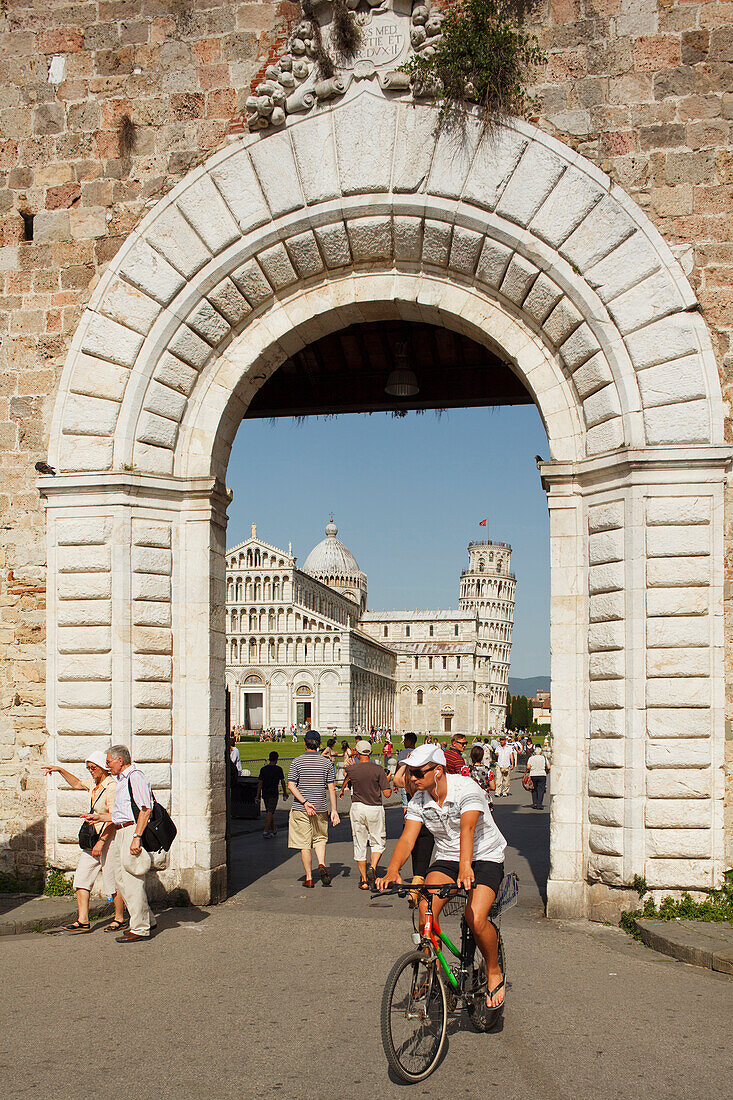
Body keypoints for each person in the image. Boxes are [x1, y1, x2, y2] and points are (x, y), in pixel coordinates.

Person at [377, 744, 508, 1009]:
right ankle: (431, 967)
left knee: (476, 916)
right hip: (448, 857)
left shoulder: (466, 788)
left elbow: (468, 828)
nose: (412, 779)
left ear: (438, 771)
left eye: (418, 773)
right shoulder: (420, 800)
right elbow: (407, 838)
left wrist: (466, 867)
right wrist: (393, 870)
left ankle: (494, 969)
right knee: (425, 908)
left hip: (484, 856)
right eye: (410, 772)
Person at [44, 751, 126, 934]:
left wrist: (102, 842)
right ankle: (83, 920)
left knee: (112, 881)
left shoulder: (112, 787)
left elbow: (114, 817)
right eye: (88, 768)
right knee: (81, 878)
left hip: (109, 839)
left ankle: (119, 918)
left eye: (93, 768)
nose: (90, 771)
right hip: (94, 838)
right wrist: (60, 769)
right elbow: (77, 783)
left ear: (103, 768)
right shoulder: (95, 784)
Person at [85, 744, 155, 942]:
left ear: (119, 760)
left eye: (108, 762)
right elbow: (120, 813)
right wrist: (99, 818)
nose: (107, 766)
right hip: (122, 829)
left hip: (131, 831)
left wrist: (136, 837)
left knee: (132, 880)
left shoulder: (135, 777)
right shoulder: (123, 780)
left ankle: (140, 928)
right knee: (121, 880)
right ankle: (146, 919)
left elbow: (145, 809)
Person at [287, 731, 340, 887]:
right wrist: (334, 810)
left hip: (301, 808)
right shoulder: (326, 763)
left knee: (304, 844)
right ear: (319, 745)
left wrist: (304, 802)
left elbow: (291, 785)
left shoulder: (297, 762)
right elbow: (331, 789)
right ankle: (322, 864)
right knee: (320, 838)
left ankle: (309, 877)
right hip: (320, 807)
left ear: (305, 743)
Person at [338, 739, 392, 889]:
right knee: (377, 841)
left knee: (359, 842)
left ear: (357, 751)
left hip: (357, 807)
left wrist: (342, 790)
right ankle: (373, 867)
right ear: (371, 752)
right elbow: (387, 794)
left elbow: (347, 776)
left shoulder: (352, 769)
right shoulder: (378, 769)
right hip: (374, 807)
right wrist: (387, 780)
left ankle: (363, 880)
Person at [257, 751, 288, 837]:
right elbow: (282, 782)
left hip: (265, 792)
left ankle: (273, 828)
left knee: (269, 811)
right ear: (277, 759)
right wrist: (285, 792)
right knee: (270, 811)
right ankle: (266, 831)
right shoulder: (278, 769)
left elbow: (260, 783)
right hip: (273, 793)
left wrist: (257, 794)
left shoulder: (263, 769)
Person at [525, 745, 550, 810]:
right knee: (541, 790)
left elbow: (528, 767)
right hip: (542, 774)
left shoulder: (531, 758)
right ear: (540, 752)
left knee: (534, 789)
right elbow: (549, 766)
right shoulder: (544, 758)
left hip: (533, 774)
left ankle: (535, 803)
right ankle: (539, 804)